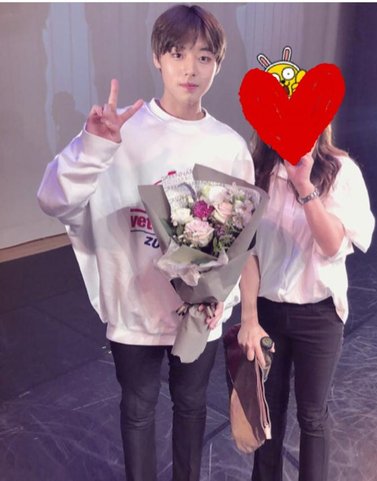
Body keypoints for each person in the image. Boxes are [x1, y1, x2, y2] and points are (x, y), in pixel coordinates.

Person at [37, 5, 254, 481]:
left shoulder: (229, 146)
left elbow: (238, 241)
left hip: (198, 316)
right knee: (137, 410)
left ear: (218, 63)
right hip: (135, 309)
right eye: (177, 54)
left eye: (203, 57)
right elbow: (52, 200)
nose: (190, 69)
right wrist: (93, 148)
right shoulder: (120, 133)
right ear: (157, 57)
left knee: (192, 407)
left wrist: (225, 297)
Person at [238, 126, 375, 481]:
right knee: (267, 413)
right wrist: (249, 318)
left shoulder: (342, 172)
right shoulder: (258, 171)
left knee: (312, 416)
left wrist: (304, 186)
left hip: (319, 315)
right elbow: (247, 251)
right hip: (267, 312)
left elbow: (331, 246)